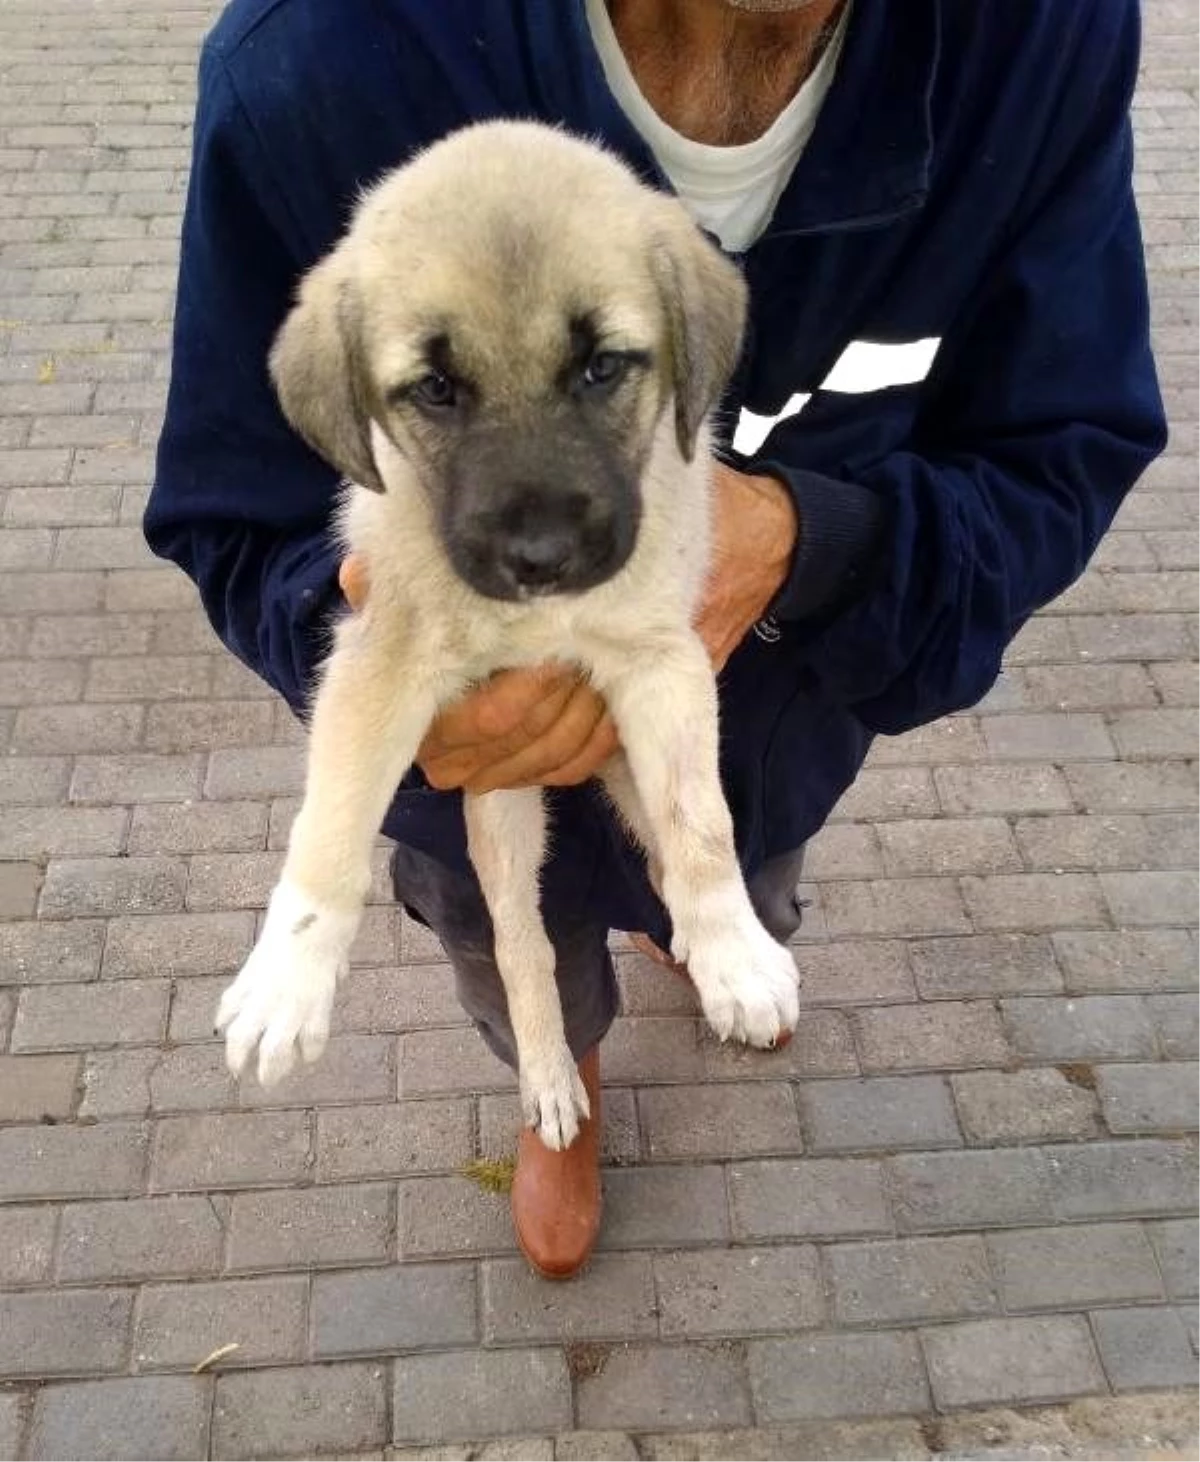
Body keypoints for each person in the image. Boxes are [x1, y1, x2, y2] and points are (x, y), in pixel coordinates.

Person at [147, 0, 1167, 1278]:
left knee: (746, 888)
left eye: (600, 372)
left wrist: (806, 539)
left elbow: (1060, 452)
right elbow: (233, 515)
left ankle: (699, 919)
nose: (536, 530)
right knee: (503, 918)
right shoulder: (315, 65)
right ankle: (553, 1080)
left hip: (775, 726)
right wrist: (355, 629)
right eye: (441, 391)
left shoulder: (1040, 40)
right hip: (455, 772)